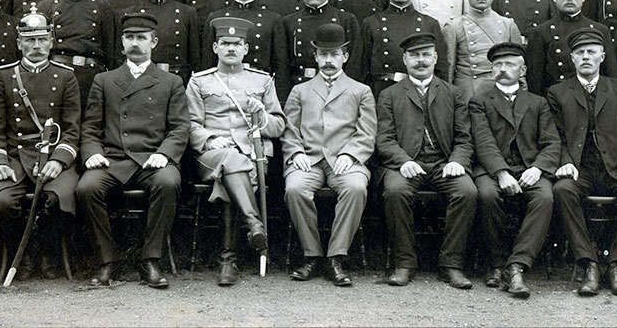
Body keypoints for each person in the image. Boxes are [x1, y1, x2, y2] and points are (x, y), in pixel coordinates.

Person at [76, 13, 189, 288]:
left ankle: (150, 260)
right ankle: (107, 260)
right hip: (113, 159)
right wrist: (91, 152)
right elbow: (90, 126)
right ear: (122, 43)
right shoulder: (105, 80)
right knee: (86, 188)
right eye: (130, 38)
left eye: (141, 38)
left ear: (154, 42)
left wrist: (164, 153)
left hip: (153, 158)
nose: (135, 43)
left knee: (168, 181)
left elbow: (179, 128)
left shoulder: (170, 81)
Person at [550, 28, 617, 297]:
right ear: (572, 58)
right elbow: (554, 135)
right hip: (579, 167)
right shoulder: (557, 92)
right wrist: (564, 161)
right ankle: (589, 264)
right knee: (562, 190)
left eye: (591, 52)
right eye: (580, 53)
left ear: (602, 56)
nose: (586, 57)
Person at [187, 17, 286, 286]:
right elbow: (190, 124)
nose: (231, 48)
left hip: (252, 156)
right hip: (212, 155)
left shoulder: (262, 81)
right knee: (230, 161)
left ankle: (227, 260)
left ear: (246, 49)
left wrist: (261, 115)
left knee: (231, 174)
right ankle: (253, 224)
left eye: (237, 44)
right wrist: (208, 139)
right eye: (225, 43)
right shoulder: (200, 82)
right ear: (216, 48)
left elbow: (278, 125)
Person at [375, 32, 476, 289]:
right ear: (405, 59)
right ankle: (405, 263)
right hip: (405, 163)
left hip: (443, 163)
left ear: (435, 57)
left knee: (466, 191)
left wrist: (457, 161)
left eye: (426, 55)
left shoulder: (453, 93)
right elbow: (384, 139)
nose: (421, 61)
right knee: (395, 191)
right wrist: (402, 160)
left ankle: (451, 265)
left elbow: (465, 137)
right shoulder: (389, 95)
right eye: (415, 56)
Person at [0, 8, 80, 280]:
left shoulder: (65, 76)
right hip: (15, 154)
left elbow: (73, 128)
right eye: (29, 40)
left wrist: (59, 160)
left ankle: (49, 252)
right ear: (19, 43)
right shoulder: (3, 76)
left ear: (51, 42)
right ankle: (22, 252)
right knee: (2, 201)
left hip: (53, 155)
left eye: (42, 40)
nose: (36, 46)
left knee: (57, 198)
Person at [282, 23, 377, 287]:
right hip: (309, 159)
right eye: (323, 55)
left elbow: (367, 132)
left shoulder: (361, 91)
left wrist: (351, 154)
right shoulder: (299, 90)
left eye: (334, 54)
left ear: (345, 56)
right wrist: (295, 151)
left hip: (344, 160)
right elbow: (289, 129)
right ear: (315, 56)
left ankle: (336, 256)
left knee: (356, 188)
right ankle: (312, 255)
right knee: (295, 188)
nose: (328, 60)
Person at [470, 42, 560, 298]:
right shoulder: (479, 102)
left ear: (523, 70)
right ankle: (496, 262)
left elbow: (552, 142)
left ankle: (517, 265)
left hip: (530, 168)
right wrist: (501, 172)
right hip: (491, 169)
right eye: (497, 65)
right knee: (487, 195)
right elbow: (483, 140)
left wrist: (539, 168)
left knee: (544, 197)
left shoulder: (538, 102)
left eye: (509, 64)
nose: (502, 69)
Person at [37, 0, 117, 109]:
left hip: (93, 77)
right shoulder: (46, 7)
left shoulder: (102, 6)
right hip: (57, 76)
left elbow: (110, 49)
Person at [274, 0, 364, 102]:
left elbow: (355, 65)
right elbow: (282, 68)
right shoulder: (288, 23)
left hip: (337, 93)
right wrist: (284, 101)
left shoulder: (346, 20)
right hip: (300, 92)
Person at [525, 0, 617, 96]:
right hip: (556, 101)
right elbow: (535, 81)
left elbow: (611, 76)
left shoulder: (600, 30)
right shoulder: (540, 33)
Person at [362, 0, 447, 96]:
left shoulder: (429, 24)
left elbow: (441, 70)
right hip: (382, 91)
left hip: (419, 92)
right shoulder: (372, 23)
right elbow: (362, 68)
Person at [442, 0, 522, 103]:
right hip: (468, 94)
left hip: (501, 92)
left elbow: (518, 67)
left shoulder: (508, 25)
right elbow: (449, 67)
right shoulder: (453, 26)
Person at [122, 0, 201, 84]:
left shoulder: (187, 13)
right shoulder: (130, 13)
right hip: (140, 81)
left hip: (177, 80)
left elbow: (194, 58)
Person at [203, 0, 281, 73]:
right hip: (224, 84)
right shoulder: (216, 18)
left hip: (259, 84)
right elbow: (207, 63)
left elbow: (280, 65)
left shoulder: (272, 19)